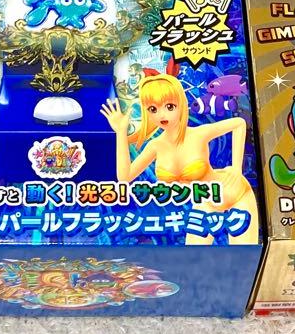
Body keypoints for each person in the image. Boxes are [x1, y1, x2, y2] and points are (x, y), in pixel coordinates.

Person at [100, 72, 258, 245]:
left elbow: (238, 124)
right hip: (205, 203)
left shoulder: (198, 133)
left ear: (181, 105)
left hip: (235, 193)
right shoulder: (155, 146)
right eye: (153, 109)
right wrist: (121, 132)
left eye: (169, 106)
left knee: (244, 254)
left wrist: (236, 169)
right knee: (194, 258)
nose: (162, 115)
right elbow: (125, 177)